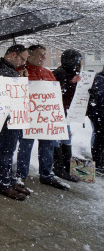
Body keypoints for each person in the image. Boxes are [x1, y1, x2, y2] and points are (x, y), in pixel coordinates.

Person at [15, 45, 69, 190]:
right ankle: (21, 175)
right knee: (25, 147)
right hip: (29, 117)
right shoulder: (20, 71)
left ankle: (46, 174)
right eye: (40, 54)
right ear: (30, 55)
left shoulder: (48, 73)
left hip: (46, 119)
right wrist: (21, 79)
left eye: (44, 54)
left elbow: (54, 95)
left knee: (47, 147)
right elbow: (16, 94)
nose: (43, 57)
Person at [0, 44, 30, 200]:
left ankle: (9, 179)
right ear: (13, 55)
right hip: (4, 118)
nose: (24, 63)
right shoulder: (1, 70)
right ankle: (2, 183)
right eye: (23, 59)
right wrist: (19, 79)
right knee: (3, 149)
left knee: (10, 149)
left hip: (12, 117)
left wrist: (20, 78)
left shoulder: (10, 70)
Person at [52, 49, 83, 182]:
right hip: (56, 111)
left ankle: (65, 166)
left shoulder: (71, 72)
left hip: (63, 110)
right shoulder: (61, 72)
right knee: (61, 138)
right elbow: (57, 92)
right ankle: (59, 167)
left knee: (66, 137)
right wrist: (71, 83)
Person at [88, 66, 104, 174]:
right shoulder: (100, 78)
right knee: (99, 137)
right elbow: (97, 96)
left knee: (99, 137)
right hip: (99, 113)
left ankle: (99, 162)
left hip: (98, 112)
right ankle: (98, 163)